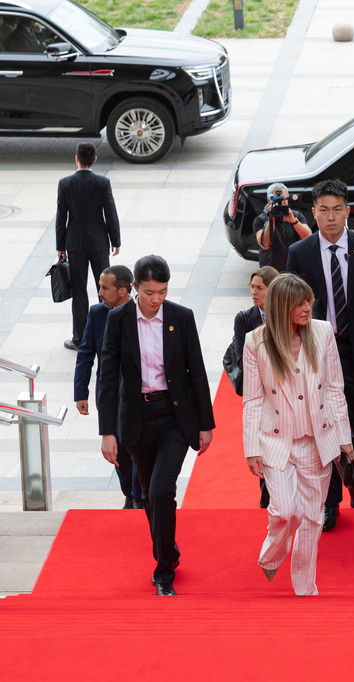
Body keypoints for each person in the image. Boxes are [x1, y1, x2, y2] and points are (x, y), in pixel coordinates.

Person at [97, 255, 215, 596]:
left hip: (174, 416)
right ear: (134, 288)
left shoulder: (181, 317)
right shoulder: (118, 320)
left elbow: (196, 370)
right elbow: (107, 377)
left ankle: (164, 571)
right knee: (150, 495)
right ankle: (169, 549)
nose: (156, 299)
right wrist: (107, 432)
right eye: (149, 292)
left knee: (163, 490)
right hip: (136, 418)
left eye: (162, 291)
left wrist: (205, 423)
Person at [286, 179, 354, 525]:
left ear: (347, 211)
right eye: (323, 210)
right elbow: (290, 303)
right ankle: (330, 500)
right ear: (313, 213)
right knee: (324, 425)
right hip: (318, 351)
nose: (331, 217)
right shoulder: (299, 253)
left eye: (337, 209)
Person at [242, 274, 354, 595]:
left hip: (316, 440)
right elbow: (252, 399)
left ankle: (306, 589)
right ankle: (271, 554)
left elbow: (335, 387)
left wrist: (344, 437)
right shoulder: (256, 342)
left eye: (309, 300)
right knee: (283, 511)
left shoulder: (322, 332)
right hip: (275, 440)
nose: (308, 307)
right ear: (281, 307)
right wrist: (251, 448)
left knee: (312, 518)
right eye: (300, 303)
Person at [73, 265, 142, 509]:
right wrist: (81, 392)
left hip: (139, 397)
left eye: (105, 287)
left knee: (138, 449)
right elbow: (85, 353)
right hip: (111, 397)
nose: (100, 292)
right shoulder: (97, 313)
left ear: (123, 291)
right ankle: (130, 493)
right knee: (119, 452)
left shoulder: (142, 313)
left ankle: (138, 497)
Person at [56, 142, 121, 350]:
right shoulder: (103, 183)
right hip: (99, 242)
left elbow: (61, 217)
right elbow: (110, 212)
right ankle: (107, 335)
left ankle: (80, 338)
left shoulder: (65, 183)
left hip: (75, 243)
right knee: (104, 288)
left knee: (79, 290)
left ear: (76, 158)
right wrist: (116, 240)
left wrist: (60, 245)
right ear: (94, 159)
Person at [231, 266, 280, 507]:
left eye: (259, 288)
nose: (254, 292)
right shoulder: (244, 318)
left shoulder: (288, 314)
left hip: (287, 393)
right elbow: (242, 359)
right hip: (261, 395)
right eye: (252, 287)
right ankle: (267, 505)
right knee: (268, 457)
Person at [254, 183, 311, 272]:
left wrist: (294, 221)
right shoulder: (260, 220)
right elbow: (265, 244)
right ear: (269, 200)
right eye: (277, 201)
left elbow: (308, 237)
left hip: (294, 267)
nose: (281, 203)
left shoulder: (296, 215)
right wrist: (271, 219)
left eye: (284, 199)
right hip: (271, 271)